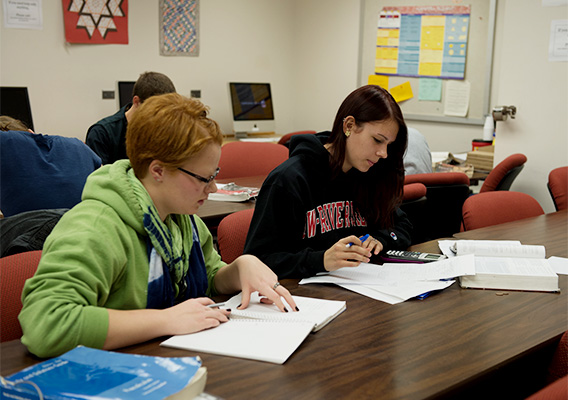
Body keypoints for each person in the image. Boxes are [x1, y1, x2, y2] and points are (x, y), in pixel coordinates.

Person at [19, 93, 297, 359]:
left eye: (215, 175)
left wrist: (238, 269)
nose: (212, 188)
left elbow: (209, 276)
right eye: (203, 178)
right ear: (158, 170)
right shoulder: (94, 228)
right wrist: (165, 320)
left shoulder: (183, 220)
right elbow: (46, 323)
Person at [243, 85, 413, 279]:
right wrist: (321, 260)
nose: (383, 153)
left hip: (359, 291)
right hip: (303, 297)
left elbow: (403, 226)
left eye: (388, 145)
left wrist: (381, 239)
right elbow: (256, 262)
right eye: (377, 140)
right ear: (349, 126)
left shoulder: (371, 172)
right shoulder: (289, 180)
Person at [0, 116, 102, 217]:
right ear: (31, 132)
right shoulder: (78, 145)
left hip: (37, 230)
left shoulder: (5, 145)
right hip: (93, 224)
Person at [85, 71, 176, 165]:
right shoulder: (101, 134)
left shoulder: (165, 132)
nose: (160, 118)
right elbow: (97, 177)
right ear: (136, 101)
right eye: (155, 111)